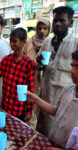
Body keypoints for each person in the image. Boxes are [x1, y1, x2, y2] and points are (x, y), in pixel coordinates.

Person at [36, 6, 78, 136]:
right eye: (55, 20)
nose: (58, 24)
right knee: (41, 128)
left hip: (63, 99)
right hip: (45, 94)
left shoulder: (75, 43)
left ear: (70, 23)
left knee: (56, 133)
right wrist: (40, 63)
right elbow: (40, 66)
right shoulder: (47, 42)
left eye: (62, 20)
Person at [26, 50, 78, 149]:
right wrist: (35, 99)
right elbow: (56, 111)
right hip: (53, 140)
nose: (72, 70)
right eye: (72, 65)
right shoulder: (68, 89)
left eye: (77, 67)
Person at [0, 28, 35, 121]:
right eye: (10, 41)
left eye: (15, 41)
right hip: (5, 106)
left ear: (23, 42)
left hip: (19, 109)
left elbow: (30, 89)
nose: (11, 44)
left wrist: (29, 111)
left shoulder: (29, 63)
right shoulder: (6, 60)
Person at [23, 17, 51, 129]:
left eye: (45, 28)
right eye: (39, 28)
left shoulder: (51, 44)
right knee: (29, 106)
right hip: (30, 80)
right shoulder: (28, 42)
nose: (42, 31)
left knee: (42, 108)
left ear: (49, 30)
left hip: (45, 81)